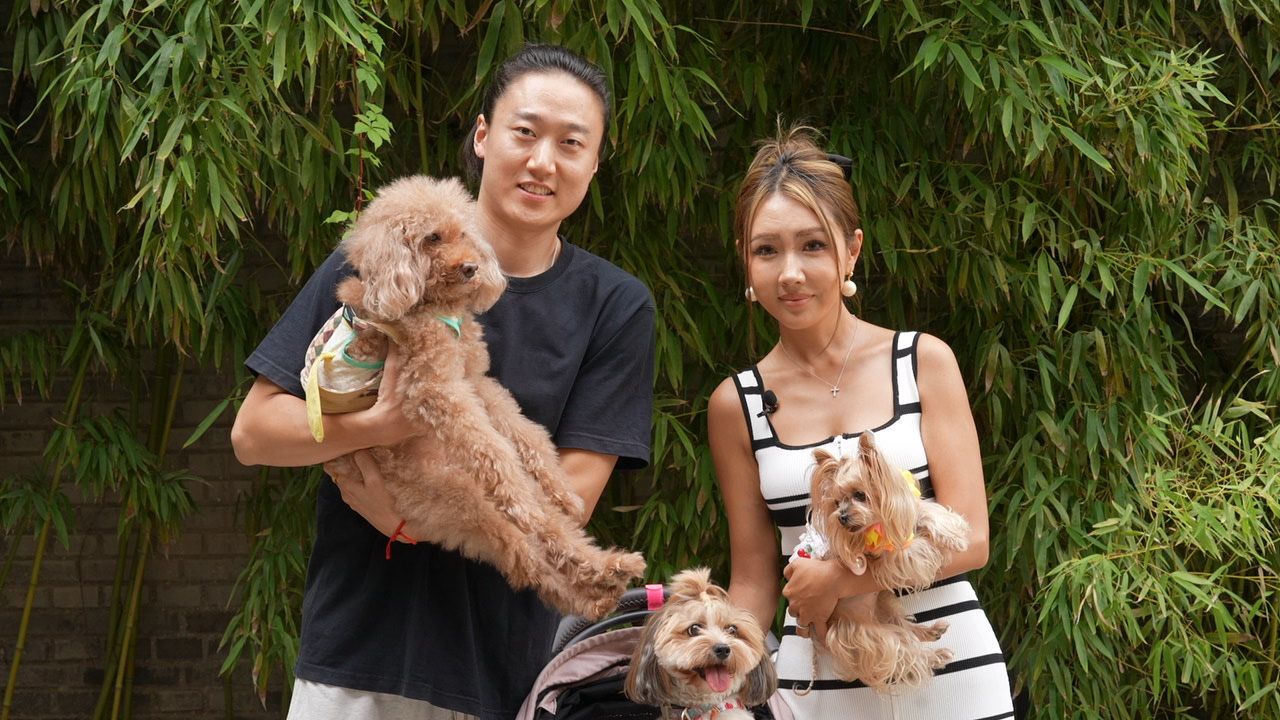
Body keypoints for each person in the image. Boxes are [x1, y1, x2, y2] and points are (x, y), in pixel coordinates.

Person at [231, 44, 655, 720]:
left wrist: (408, 518)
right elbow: (253, 434)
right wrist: (380, 425)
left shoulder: (615, 304)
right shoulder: (375, 259)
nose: (544, 160)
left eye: (571, 144)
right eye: (525, 132)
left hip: (502, 670)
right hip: (358, 653)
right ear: (483, 137)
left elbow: (569, 501)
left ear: (594, 164)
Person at [707, 126, 1014, 719]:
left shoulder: (923, 362)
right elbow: (754, 577)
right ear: (746, 263)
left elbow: (972, 538)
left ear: (852, 249)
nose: (790, 272)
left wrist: (844, 583)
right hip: (818, 687)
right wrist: (722, 687)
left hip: (952, 675)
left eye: (813, 246)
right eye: (766, 250)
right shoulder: (736, 403)